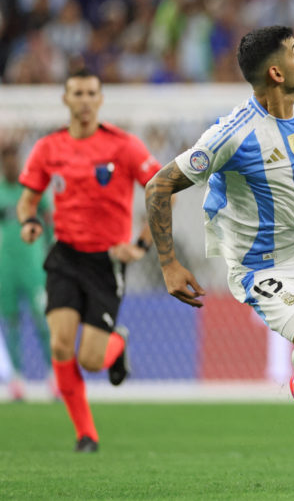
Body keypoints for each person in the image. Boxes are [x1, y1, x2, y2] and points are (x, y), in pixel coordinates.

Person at [144, 25, 294, 495]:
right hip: (261, 266)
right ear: (276, 71)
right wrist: (169, 263)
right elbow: (158, 186)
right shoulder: (231, 134)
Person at [16, 69, 158, 451]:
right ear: (65, 99)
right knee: (60, 347)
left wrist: (142, 245)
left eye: (90, 93)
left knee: (91, 359)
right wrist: (29, 222)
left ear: (100, 100)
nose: (83, 100)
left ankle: (117, 345)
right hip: (64, 256)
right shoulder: (49, 148)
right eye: (76, 93)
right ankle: (86, 434)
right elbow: (27, 200)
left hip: (106, 262)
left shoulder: (124, 146)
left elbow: (165, 193)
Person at [1, 143, 53, 401]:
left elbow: (50, 220)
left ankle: (54, 375)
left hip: (33, 267)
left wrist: (53, 251)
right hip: (5, 268)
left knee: (43, 321)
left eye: (14, 157)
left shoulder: (33, 191)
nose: (11, 163)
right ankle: (17, 378)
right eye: (6, 158)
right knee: (11, 322)